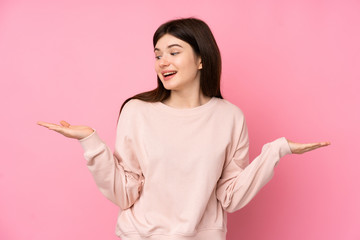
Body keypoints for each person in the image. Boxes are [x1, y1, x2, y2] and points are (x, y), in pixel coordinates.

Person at [37, 17, 330, 240]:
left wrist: (276, 151)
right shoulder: (137, 111)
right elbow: (124, 194)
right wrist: (91, 142)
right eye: (157, 54)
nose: (162, 62)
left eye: (173, 52)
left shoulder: (229, 117)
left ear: (201, 58)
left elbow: (231, 196)